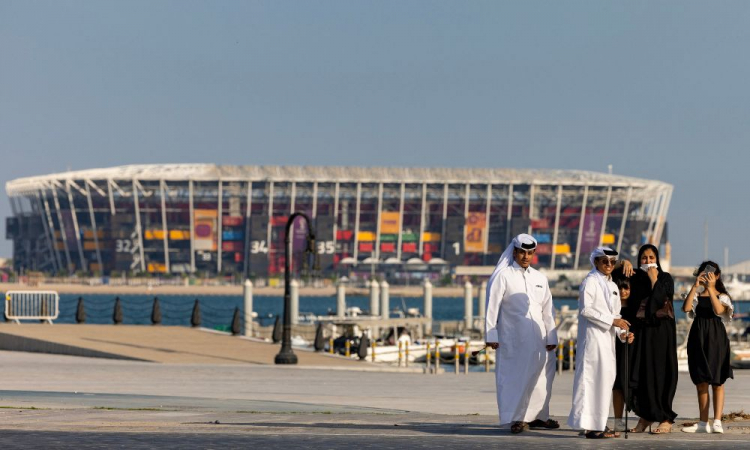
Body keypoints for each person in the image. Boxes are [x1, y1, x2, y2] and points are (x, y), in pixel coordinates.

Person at [485, 233, 558, 434]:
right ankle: (516, 419)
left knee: (542, 377)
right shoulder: (503, 276)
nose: (526, 256)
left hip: (540, 337)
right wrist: (491, 334)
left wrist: (552, 336)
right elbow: (492, 306)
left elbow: (548, 309)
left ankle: (537, 417)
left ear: (534, 253)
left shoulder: (540, 278)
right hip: (512, 337)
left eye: (530, 253)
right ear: (515, 252)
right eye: (522, 252)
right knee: (514, 378)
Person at [568, 247, 632, 439]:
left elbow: (616, 315)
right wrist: (613, 321)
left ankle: (599, 424)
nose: (609, 265)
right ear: (596, 262)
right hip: (592, 341)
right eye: (605, 261)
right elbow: (586, 310)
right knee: (590, 381)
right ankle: (590, 426)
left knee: (605, 381)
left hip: (608, 343)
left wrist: (623, 333)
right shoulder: (590, 282)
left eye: (612, 262)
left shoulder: (613, 286)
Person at [627, 244, 678, 434]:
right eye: (644, 258)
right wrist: (623, 263)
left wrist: (655, 280)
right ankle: (646, 416)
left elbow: (659, 302)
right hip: (642, 333)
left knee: (662, 372)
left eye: (651, 258)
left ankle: (665, 417)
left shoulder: (665, 278)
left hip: (662, 333)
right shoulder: (635, 279)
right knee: (643, 372)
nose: (648, 262)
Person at [681, 261, 734, 434]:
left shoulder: (723, 296)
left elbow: (719, 311)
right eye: (704, 273)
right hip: (698, 336)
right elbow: (686, 308)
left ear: (717, 276)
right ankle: (703, 422)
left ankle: (717, 420)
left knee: (717, 381)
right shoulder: (697, 295)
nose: (707, 276)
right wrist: (696, 286)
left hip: (716, 338)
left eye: (711, 273)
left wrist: (710, 288)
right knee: (701, 381)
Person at [612, 276, 637, 431]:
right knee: (617, 385)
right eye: (620, 288)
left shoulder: (635, 308)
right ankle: (618, 420)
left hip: (632, 347)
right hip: (615, 347)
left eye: (626, 288)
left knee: (629, 382)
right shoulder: (612, 309)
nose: (623, 292)